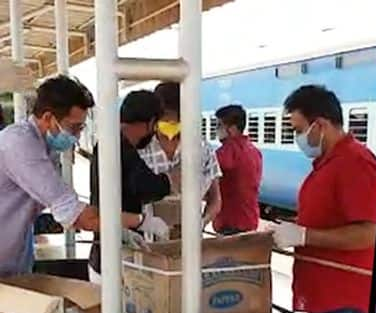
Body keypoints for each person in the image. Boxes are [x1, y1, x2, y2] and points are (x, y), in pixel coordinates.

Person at [0, 75, 168, 278]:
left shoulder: (45, 149)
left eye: (81, 128)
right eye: (74, 127)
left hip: (13, 259)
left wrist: (118, 227)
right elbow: (75, 214)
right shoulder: (20, 145)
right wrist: (140, 222)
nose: (77, 136)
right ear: (47, 118)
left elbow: (60, 208)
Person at [266, 85, 376, 313]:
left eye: (298, 129)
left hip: (343, 300)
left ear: (319, 125)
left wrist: (305, 236)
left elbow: (369, 232)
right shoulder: (327, 163)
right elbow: (329, 216)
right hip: (320, 295)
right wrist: (293, 227)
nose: (297, 137)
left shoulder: (355, 163)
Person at [88, 90, 177, 283]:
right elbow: (149, 188)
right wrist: (171, 177)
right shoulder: (121, 149)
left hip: (105, 254)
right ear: (150, 122)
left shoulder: (108, 143)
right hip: (114, 260)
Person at [138, 82, 222, 231]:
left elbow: (215, 199)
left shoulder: (203, 149)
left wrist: (202, 223)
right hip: (148, 240)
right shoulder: (141, 149)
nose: (171, 124)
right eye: (165, 119)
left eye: (176, 120)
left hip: (190, 241)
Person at [212, 104, 262, 235]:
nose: (216, 130)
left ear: (232, 129)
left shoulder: (226, 152)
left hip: (230, 223)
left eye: (219, 125)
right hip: (250, 220)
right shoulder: (254, 151)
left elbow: (206, 179)